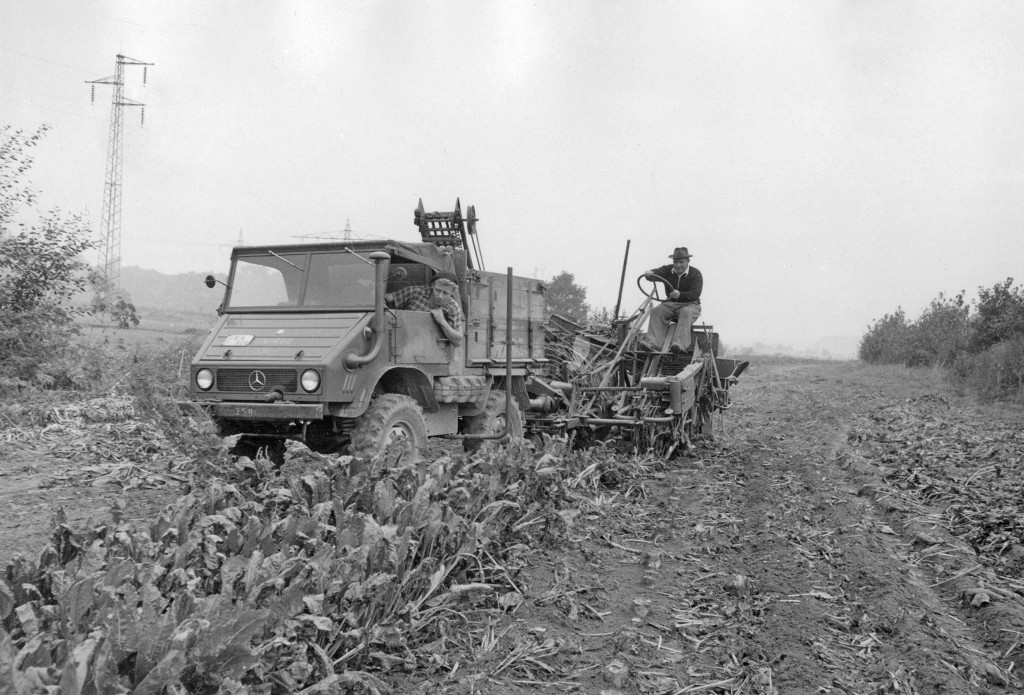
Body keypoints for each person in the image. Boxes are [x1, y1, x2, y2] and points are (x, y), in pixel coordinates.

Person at [643, 247, 702, 353]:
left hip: (690, 304)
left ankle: (678, 345)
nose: (678, 265)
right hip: (671, 304)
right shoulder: (668, 270)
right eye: (676, 262)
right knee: (657, 311)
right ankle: (653, 343)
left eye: (681, 262)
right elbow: (657, 273)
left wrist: (680, 295)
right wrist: (649, 273)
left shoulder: (696, 274)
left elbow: (695, 293)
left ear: (688, 261)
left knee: (686, 312)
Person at [386, 274, 464, 346]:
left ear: (453, 292)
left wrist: (442, 322)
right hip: (403, 342)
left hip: (430, 349)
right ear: (432, 285)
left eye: (445, 293)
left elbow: (458, 341)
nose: (440, 296)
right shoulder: (416, 292)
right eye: (437, 290)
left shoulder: (453, 307)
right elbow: (388, 298)